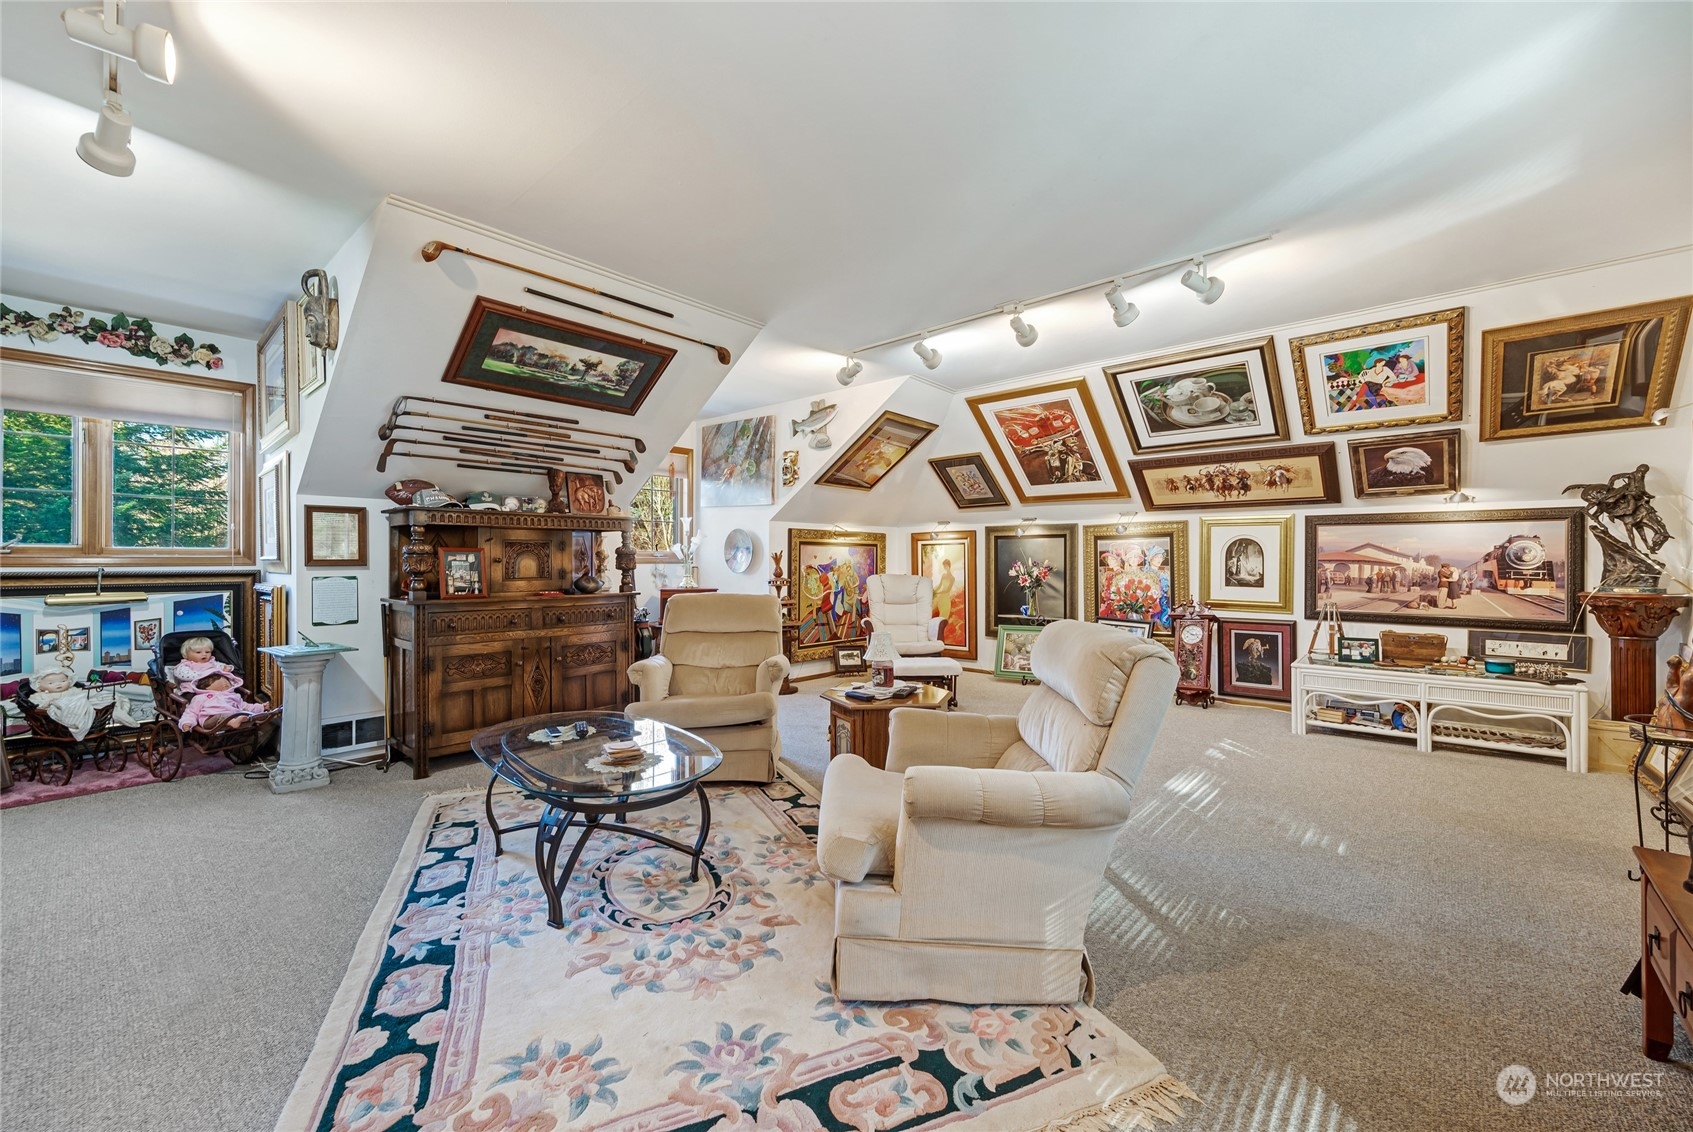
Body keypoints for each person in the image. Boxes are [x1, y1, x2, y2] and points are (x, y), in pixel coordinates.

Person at [179, 673, 269, 731]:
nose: (225, 683)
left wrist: (261, 707)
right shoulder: (201, 697)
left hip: (235, 715)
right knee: (224, 715)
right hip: (210, 719)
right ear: (206, 687)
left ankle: (265, 715)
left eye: (226, 681)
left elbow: (245, 705)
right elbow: (191, 712)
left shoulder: (233, 695)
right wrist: (187, 722)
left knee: (246, 712)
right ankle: (233, 721)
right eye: (220, 682)